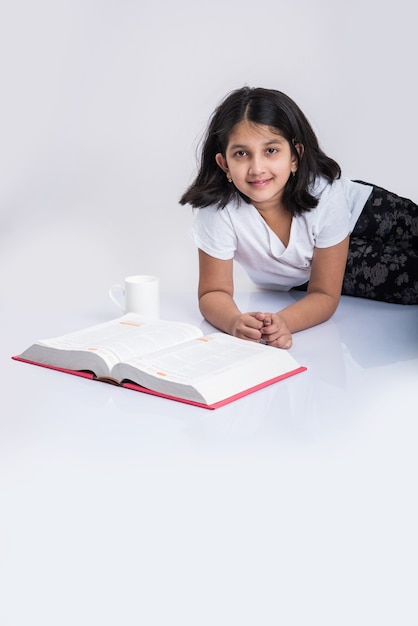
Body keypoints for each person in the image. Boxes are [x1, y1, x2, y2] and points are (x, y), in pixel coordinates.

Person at [180, 87, 418, 349]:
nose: (257, 168)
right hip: (315, 267)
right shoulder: (218, 212)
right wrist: (236, 321)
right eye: (241, 153)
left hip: (361, 210)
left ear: (295, 156)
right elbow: (214, 292)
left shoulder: (325, 194)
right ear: (224, 164)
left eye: (271, 150)